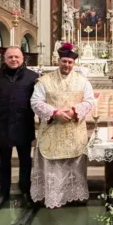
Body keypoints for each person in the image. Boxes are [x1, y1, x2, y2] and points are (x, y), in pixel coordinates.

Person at [30, 42, 94, 209]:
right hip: (53, 130)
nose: (67, 65)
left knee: (75, 164)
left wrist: (74, 111)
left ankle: (75, 196)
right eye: (64, 61)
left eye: (70, 62)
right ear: (58, 61)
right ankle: (53, 197)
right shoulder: (44, 81)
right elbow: (35, 101)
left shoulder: (83, 81)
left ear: (74, 63)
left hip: (74, 130)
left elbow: (89, 100)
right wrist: (54, 113)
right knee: (53, 166)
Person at [0, 46, 39, 213]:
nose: (14, 60)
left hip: (23, 124)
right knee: (3, 162)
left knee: (25, 161)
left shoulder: (32, 77)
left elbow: (37, 99)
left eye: (17, 57)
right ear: (5, 59)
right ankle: (3, 193)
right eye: (10, 57)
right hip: (1, 125)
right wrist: (2, 110)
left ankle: (25, 191)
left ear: (23, 59)